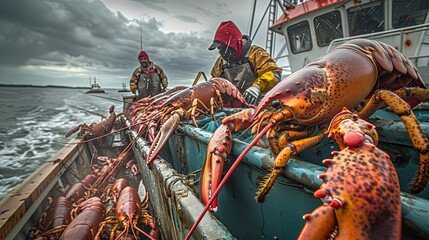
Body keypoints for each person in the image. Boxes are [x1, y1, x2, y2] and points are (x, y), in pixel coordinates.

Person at [208, 20, 282, 105]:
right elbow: (214, 83)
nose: (221, 51)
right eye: (219, 49)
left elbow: (274, 73)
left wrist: (257, 87)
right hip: (233, 109)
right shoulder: (221, 62)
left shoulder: (255, 53)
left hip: (259, 105)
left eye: (222, 47)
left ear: (232, 44)